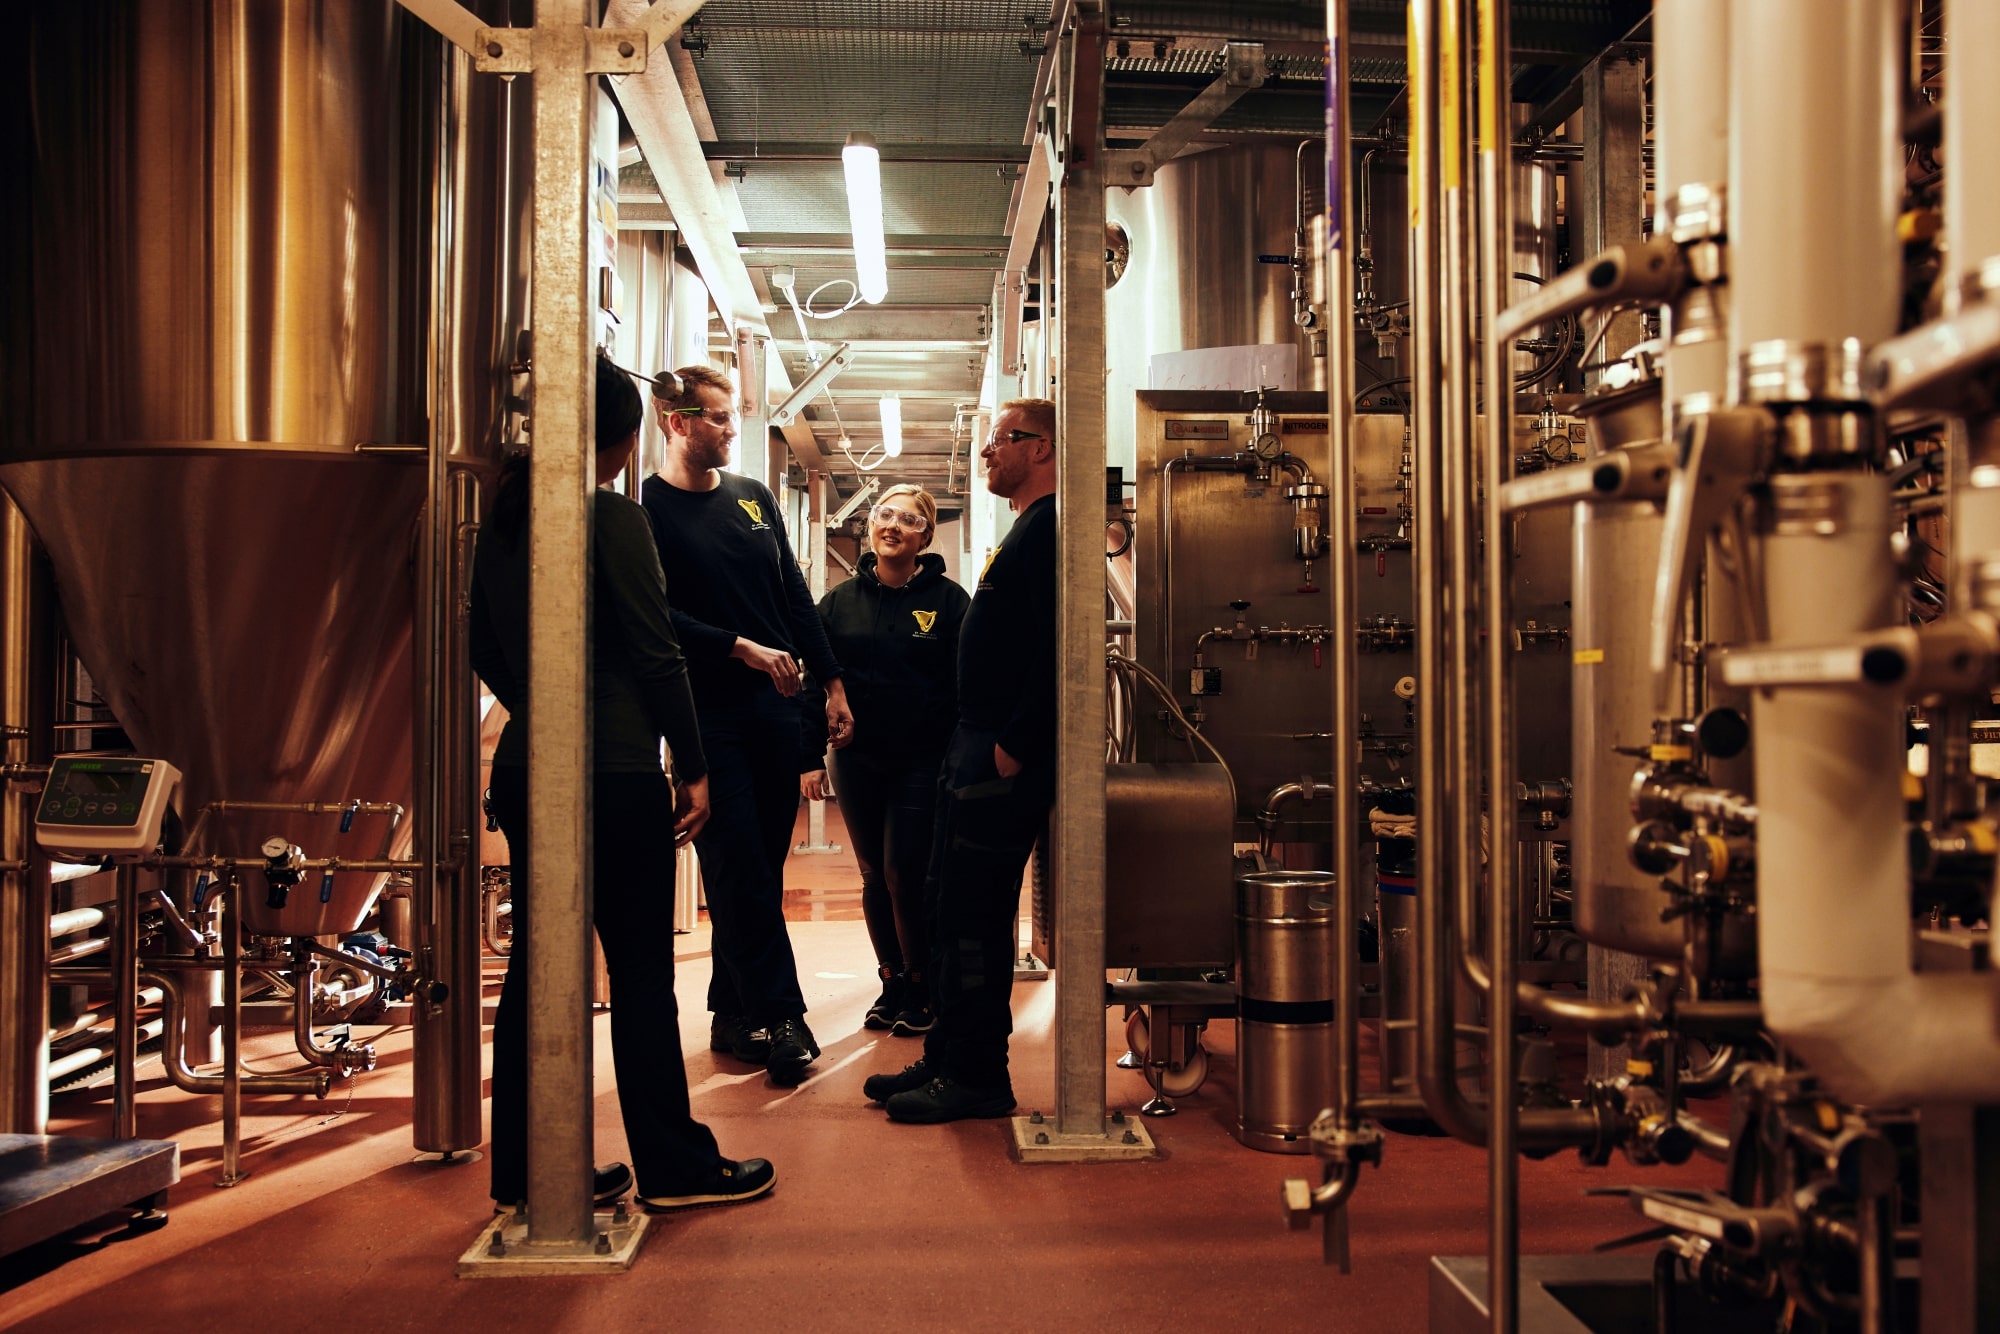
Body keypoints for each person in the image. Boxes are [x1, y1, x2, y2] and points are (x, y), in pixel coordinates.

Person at [471, 355, 774, 1211]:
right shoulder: (611, 518)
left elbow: (482, 650)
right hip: (616, 770)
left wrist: (541, 705)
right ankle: (674, 1168)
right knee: (641, 971)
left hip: (528, 764)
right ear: (619, 437)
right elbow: (655, 649)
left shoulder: (499, 522)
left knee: (538, 967)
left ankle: (531, 1172)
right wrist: (696, 764)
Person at [642, 365, 854, 1086]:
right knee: (735, 865)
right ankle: (785, 1014)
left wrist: (831, 685)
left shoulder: (754, 499)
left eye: (734, 418)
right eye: (720, 419)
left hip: (778, 708)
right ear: (678, 423)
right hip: (709, 711)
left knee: (757, 865)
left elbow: (793, 594)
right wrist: (736, 645)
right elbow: (656, 616)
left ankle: (732, 1012)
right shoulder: (647, 510)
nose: (734, 431)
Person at [862, 399, 1059, 1124]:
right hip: (972, 744)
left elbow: (1056, 649)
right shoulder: (1025, 531)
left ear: (1040, 448)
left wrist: (1016, 743)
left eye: (1000, 441)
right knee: (945, 905)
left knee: (975, 917)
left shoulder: (1051, 532)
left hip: (1000, 752)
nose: (986, 454)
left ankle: (978, 1074)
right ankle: (949, 1049)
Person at [800, 484, 969, 1038]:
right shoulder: (839, 602)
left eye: (908, 519)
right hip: (856, 758)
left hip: (923, 758)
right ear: (870, 526)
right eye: (883, 514)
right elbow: (814, 681)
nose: (892, 525)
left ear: (925, 535)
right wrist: (809, 756)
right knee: (874, 872)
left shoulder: (949, 601)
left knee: (906, 870)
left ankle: (922, 984)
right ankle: (891, 981)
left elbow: (966, 684)